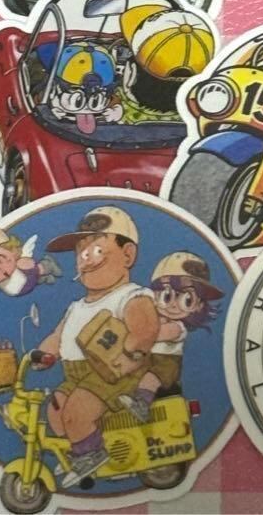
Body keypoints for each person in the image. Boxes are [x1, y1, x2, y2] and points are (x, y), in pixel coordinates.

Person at [33, 207, 159, 485]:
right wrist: (43, 354)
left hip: (115, 374)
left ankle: (91, 454)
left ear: (128, 255)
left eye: (97, 250)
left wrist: (133, 349)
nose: (86, 259)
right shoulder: (76, 306)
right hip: (76, 375)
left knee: (76, 412)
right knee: (56, 410)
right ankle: (80, 450)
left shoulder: (130, 296)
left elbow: (146, 329)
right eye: (81, 253)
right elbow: (57, 335)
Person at [119, 251, 222, 423]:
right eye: (167, 296)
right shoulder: (153, 317)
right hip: (147, 359)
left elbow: (155, 335)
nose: (174, 304)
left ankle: (142, 404)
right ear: (153, 295)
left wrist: (135, 333)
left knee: (150, 378)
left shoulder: (178, 327)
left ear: (198, 305)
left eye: (187, 299)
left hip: (165, 364)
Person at [0, 224, 61, 296]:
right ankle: (43, 278)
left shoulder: (21, 264)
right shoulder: (7, 287)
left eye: (1, 259)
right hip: (23, 287)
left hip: (28, 273)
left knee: (25, 264)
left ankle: (46, 266)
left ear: (12, 250)